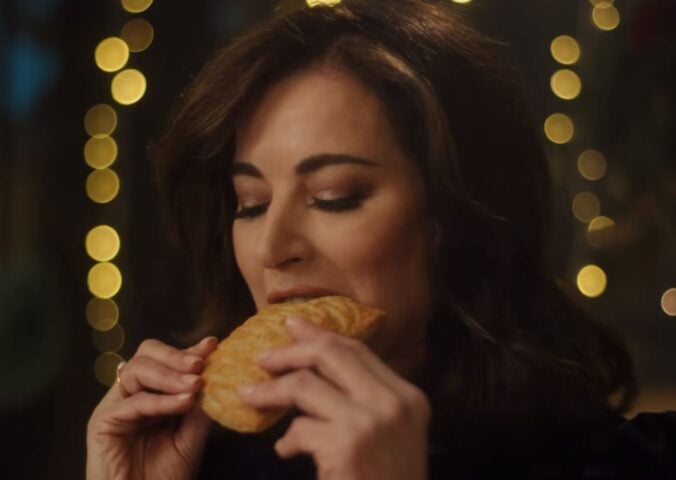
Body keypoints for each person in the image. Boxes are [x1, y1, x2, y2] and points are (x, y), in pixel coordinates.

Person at [86, 0, 676, 478]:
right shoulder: (207, 462)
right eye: (251, 204)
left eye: (334, 196)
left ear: (456, 216)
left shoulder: (619, 464)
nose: (272, 247)